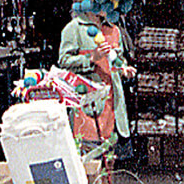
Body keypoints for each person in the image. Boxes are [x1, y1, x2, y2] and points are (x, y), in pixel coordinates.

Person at [58, 11, 136, 162]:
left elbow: (117, 59)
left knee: (110, 162)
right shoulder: (74, 28)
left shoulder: (113, 30)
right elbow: (64, 61)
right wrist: (91, 58)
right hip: (88, 109)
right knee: (89, 164)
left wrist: (123, 69)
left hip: (113, 108)